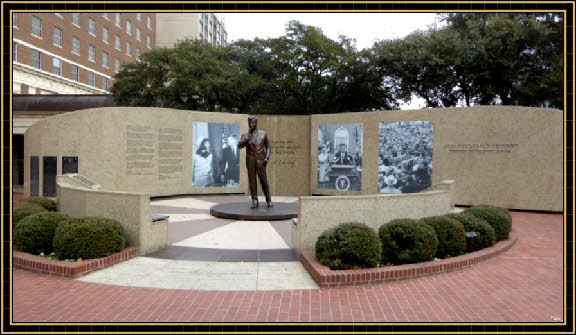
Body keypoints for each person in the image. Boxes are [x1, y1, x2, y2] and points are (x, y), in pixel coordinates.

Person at [237, 116, 272, 208]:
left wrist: (267, 157)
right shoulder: (245, 135)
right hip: (250, 161)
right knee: (252, 182)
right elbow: (239, 145)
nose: (251, 124)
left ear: (256, 123)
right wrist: (246, 140)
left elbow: (268, 146)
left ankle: (268, 199)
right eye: (249, 123)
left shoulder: (263, 133)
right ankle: (255, 201)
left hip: (261, 161)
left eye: (252, 122)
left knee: (264, 181)